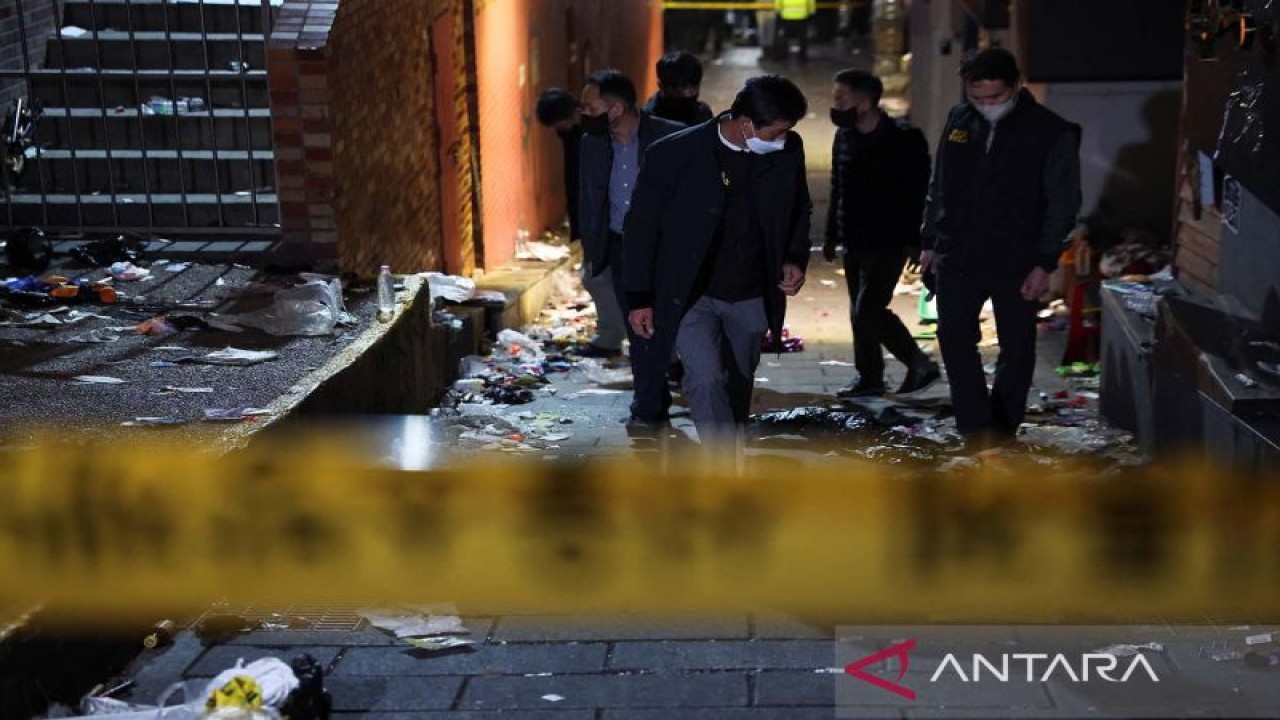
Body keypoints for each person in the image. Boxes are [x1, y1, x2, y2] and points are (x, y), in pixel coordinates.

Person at [624, 75, 812, 445]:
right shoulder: (674, 153)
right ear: (745, 125)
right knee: (705, 378)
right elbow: (641, 227)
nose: (782, 139)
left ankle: (730, 448)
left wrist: (793, 258)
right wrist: (639, 297)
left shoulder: (789, 151)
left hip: (751, 289)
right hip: (690, 292)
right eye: (775, 132)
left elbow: (798, 209)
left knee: (738, 379)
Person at [920, 48, 1082, 443]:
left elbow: (1063, 205)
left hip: (1017, 259)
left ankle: (1003, 427)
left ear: (1016, 86)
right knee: (955, 340)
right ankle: (976, 429)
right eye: (978, 98)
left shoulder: (1050, 132)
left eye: (994, 98)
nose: (986, 106)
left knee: (1017, 347)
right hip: (958, 253)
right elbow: (940, 185)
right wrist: (929, 242)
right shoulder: (960, 120)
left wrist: (1044, 262)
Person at [578, 70, 686, 430]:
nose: (584, 112)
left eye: (590, 106)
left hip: (666, 247)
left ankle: (655, 396)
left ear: (615, 108)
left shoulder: (670, 136)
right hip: (622, 246)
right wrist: (593, 249)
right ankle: (649, 404)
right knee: (639, 326)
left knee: (662, 326)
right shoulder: (592, 143)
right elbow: (590, 198)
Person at [823, 69, 940, 398]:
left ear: (863, 102)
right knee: (858, 311)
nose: (836, 105)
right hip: (855, 237)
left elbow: (920, 193)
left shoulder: (905, 138)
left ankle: (920, 363)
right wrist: (832, 233)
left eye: (841, 98)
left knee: (869, 308)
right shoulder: (844, 137)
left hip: (890, 239)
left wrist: (919, 241)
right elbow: (838, 188)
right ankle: (869, 377)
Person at [535, 88, 626, 358]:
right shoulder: (575, 134)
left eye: (560, 123)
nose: (559, 130)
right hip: (594, 220)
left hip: (606, 220)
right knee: (599, 276)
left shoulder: (593, 136)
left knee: (597, 276)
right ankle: (614, 335)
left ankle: (612, 337)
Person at [642, 52, 715, 126]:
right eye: (683, 87)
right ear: (661, 86)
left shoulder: (702, 112)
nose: (690, 93)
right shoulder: (648, 119)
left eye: (695, 85)